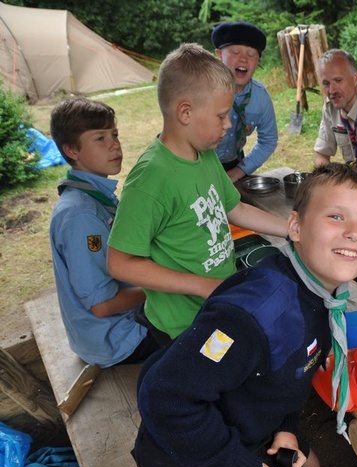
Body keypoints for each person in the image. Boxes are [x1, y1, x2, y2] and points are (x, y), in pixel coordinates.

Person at [132, 163, 357, 467]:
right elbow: (165, 397)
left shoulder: (320, 293)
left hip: (247, 424)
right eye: (336, 216)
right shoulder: (253, 316)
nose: (354, 231)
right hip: (188, 455)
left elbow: (291, 373)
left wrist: (286, 427)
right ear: (295, 226)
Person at [107, 43, 288, 342]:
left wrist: (291, 229)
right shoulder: (150, 179)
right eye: (221, 116)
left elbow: (236, 209)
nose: (228, 125)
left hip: (217, 304)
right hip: (182, 327)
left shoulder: (204, 155)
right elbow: (119, 263)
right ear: (185, 112)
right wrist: (201, 285)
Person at [49, 97, 162, 366]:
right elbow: (102, 306)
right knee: (201, 316)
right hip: (118, 340)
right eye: (100, 138)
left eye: (115, 134)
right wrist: (165, 285)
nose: (115, 145)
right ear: (71, 150)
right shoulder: (81, 215)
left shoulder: (93, 196)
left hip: (110, 331)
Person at [212, 21, 278, 182]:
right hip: (197, 164)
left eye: (251, 55)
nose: (243, 60)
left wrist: (240, 171)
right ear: (219, 55)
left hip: (233, 164)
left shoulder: (260, 97)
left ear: (258, 61)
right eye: (236, 52)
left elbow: (268, 140)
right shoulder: (204, 91)